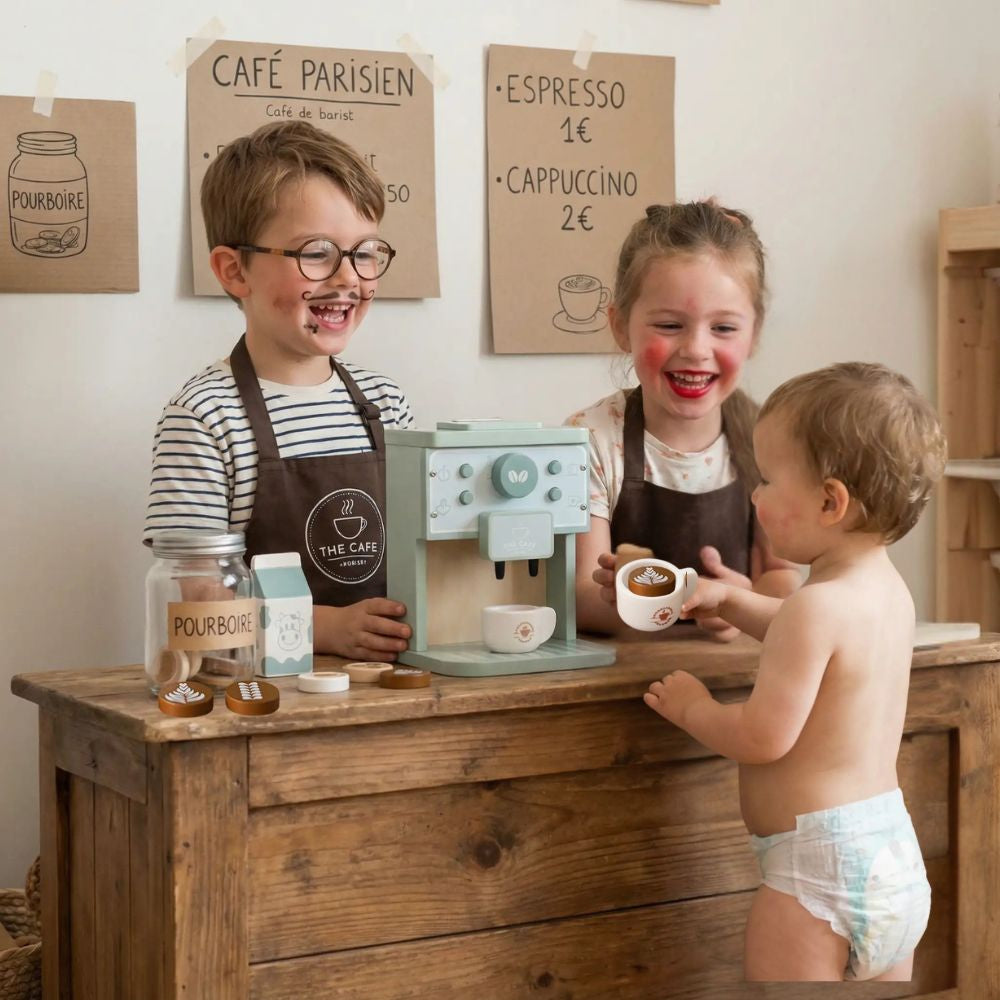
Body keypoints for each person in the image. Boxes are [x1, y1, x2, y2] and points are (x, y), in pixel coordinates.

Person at [644, 362, 946, 981]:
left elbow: (762, 738)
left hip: (817, 873)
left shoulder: (814, 607)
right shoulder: (887, 593)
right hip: (891, 856)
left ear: (829, 501)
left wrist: (693, 707)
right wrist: (729, 598)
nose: (754, 496)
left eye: (768, 480)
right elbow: (811, 644)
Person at [143, 121, 413, 662]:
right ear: (233, 270)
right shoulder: (203, 417)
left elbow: (421, 555)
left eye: (365, 253)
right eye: (316, 252)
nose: (348, 279)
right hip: (257, 701)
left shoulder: (386, 403)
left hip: (385, 693)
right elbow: (200, 602)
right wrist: (324, 629)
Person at [565, 201, 800, 641]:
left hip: (740, 686)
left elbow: (781, 577)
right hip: (618, 687)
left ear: (755, 333)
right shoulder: (589, 440)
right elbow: (578, 596)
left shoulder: (768, 436)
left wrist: (739, 603)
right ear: (620, 326)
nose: (696, 349)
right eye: (670, 325)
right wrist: (660, 600)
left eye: (724, 328)